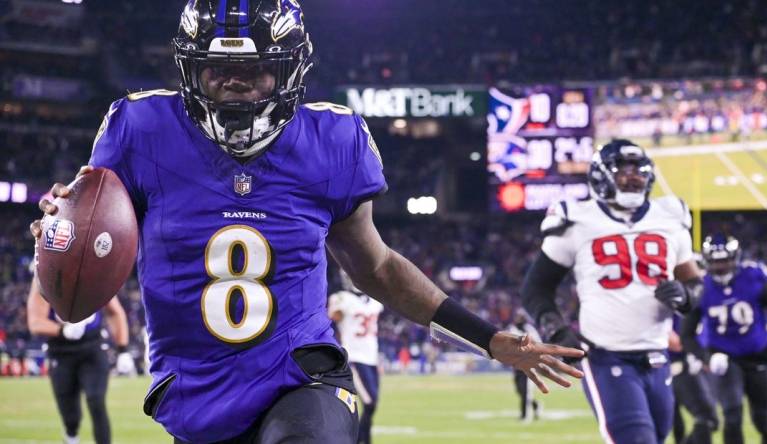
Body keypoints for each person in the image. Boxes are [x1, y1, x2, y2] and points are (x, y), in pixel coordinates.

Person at [30, 1, 584, 443]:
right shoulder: (140, 129)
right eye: (217, 69)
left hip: (301, 374)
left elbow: (380, 269)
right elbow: (89, 244)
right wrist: (62, 233)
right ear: (188, 68)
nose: (234, 84)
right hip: (195, 389)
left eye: (254, 71)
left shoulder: (331, 141)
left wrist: (488, 339)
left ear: (290, 69)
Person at [521, 139, 705, 444]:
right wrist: (554, 329)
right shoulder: (577, 219)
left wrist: (686, 296)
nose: (633, 178)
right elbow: (536, 287)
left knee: (656, 438)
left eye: (639, 172)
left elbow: (696, 284)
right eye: (624, 171)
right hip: (607, 356)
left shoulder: (670, 218)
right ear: (602, 176)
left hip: (657, 355)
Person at [681, 234, 767, 444]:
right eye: (715, 261)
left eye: (725, 261)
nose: (720, 267)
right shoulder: (702, 288)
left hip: (758, 356)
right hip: (724, 359)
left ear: (736, 258)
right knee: (732, 414)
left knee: (762, 419)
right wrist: (706, 358)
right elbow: (687, 333)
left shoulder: (753, 278)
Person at [26, 277, 133, 444]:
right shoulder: (46, 274)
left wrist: (123, 349)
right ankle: (71, 436)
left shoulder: (96, 272)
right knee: (71, 417)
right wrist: (62, 331)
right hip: (60, 352)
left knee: (96, 401)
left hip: (92, 347)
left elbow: (115, 311)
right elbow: (35, 322)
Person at [328, 271, 384, 444]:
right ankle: (362, 440)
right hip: (354, 358)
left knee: (372, 404)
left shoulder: (374, 302)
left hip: (371, 359)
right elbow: (332, 317)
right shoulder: (341, 298)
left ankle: (359, 439)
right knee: (369, 403)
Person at [668, 318, 717, 444]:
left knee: (679, 425)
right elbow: (676, 343)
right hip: (677, 366)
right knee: (707, 418)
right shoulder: (673, 303)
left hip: (687, 364)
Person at [508, 309, 543, 423]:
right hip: (516, 365)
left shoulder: (529, 330)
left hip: (528, 364)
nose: (518, 319)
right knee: (520, 390)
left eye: (520, 317)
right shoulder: (512, 329)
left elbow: (538, 344)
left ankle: (525, 416)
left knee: (526, 391)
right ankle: (536, 406)